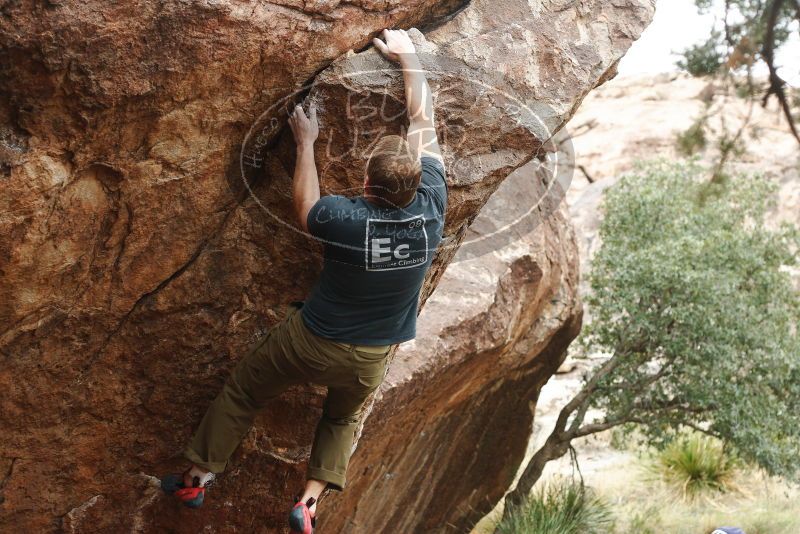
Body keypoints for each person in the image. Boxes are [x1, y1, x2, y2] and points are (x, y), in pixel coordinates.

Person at [160, 28, 447, 533]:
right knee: (340, 419)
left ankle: (198, 477)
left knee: (245, 392)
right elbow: (423, 117)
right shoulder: (433, 210)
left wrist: (306, 143)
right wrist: (410, 57)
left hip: (310, 341)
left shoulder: (346, 218)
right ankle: (309, 503)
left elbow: (305, 206)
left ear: (365, 184)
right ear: (418, 185)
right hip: (370, 356)